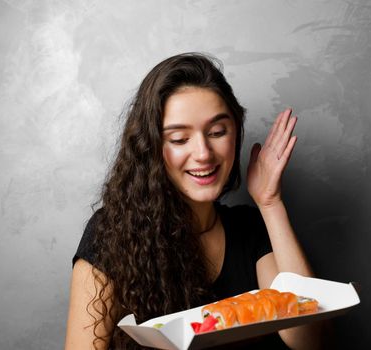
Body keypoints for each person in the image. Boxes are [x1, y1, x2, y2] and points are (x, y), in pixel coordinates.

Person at [65, 53, 325, 349]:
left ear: (236, 132)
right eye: (179, 139)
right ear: (150, 146)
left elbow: (308, 340)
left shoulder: (250, 228)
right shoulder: (110, 232)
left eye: (217, 132)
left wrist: (270, 203)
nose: (203, 153)